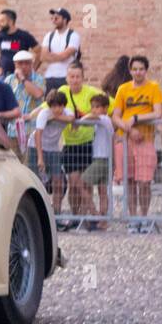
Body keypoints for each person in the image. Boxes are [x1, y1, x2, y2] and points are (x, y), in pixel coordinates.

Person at [110, 55, 162, 232]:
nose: (138, 72)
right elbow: (116, 116)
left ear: (146, 70)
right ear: (130, 70)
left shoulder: (153, 88)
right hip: (126, 138)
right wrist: (129, 129)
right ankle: (132, 218)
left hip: (145, 139)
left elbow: (157, 113)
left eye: (141, 69)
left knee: (144, 181)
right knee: (130, 181)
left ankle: (144, 216)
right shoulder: (123, 89)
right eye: (134, 69)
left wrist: (136, 118)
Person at [58, 62, 106, 226]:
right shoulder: (62, 92)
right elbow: (49, 107)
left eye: (78, 76)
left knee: (87, 183)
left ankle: (86, 217)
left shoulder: (92, 92)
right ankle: (75, 214)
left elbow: (109, 105)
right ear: (67, 78)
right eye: (72, 76)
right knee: (73, 182)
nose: (75, 80)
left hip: (87, 143)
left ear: (83, 78)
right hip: (70, 144)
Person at [34, 91, 72, 222]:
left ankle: (56, 214)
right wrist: (40, 157)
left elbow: (71, 118)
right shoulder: (44, 113)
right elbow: (38, 134)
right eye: (54, 106)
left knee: (58, 182)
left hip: (54, 148)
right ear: (49, 106)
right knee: (36, 181)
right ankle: (38, 215)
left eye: (60, 106)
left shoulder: (67, 112)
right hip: (37, 147)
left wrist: (55, 118)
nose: (57, 109)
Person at [79, 93, 115, 231]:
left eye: (97, 107)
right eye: (92, 107)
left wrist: (83, 117)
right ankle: (103, 220)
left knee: (81, 183)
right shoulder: (102, 121)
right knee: (102, 191)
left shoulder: (104, 119)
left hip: (101, 159)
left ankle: (95, 213)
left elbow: (89, 117)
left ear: (105, 108)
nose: (94, 110)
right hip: (106, 159)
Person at [4, 49, 46, 151]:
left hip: (32, 130)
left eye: (27, 63)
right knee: (14, 163)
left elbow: (38, 94)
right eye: (20, 63)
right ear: (15, 65)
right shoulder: (9, 80)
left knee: (29, 165)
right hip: (13, 130)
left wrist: (22, 79)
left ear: (31, 64)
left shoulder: (39, 79)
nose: (23, 66)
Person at [0, 9, 40, 75]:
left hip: (22, 75)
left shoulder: (24, 35)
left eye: (2, 21)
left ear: (10, 22)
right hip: (4, 75)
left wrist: (33, 69)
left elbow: (39, 52)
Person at [42, 9, 81, 92]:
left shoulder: (73, 36)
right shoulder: (49, 36)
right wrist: (58, 56)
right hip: (50, 77)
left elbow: (65, 56)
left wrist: (51, 56)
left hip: (65, 77)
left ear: (65, 20)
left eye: (56, 18)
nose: (53, 21)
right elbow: (43, 56)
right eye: (52, 18)